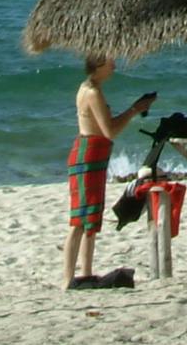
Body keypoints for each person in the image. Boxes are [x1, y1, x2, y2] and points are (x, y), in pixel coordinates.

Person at [65, 54, 154, 288]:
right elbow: (109, 131)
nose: (114, 65)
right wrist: (134, 109)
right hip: (90, 153)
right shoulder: (92, 92)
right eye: (110, 62)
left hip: (90, 152)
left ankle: (82, 274)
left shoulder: (89, 87)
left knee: (87, 218)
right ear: (99, 65)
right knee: (82, 219)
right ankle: (72, 277)